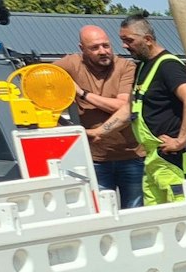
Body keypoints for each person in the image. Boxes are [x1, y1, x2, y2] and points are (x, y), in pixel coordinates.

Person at [116, 13, 186, 205]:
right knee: (157, 217)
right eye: (122, 40)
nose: (124, 45)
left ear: (147, 39)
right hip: (156, 158)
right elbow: (131, 109)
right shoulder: (143, 67)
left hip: (176, 157)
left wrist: (180, 141)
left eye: (128, 40)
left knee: (182, 216)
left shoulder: (168, 66)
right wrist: (97, 132)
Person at [53, 26, 143, 208]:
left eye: (106, 45)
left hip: (131, 156)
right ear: (82, 49)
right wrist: (63, 125)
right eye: (95, 48)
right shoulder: (70, 64)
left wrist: (82, 94)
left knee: (134, 212)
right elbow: (38, 80)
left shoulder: (126, 66)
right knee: (101, 212)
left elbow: (122, 106)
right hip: (94, 159)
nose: (103, 51)